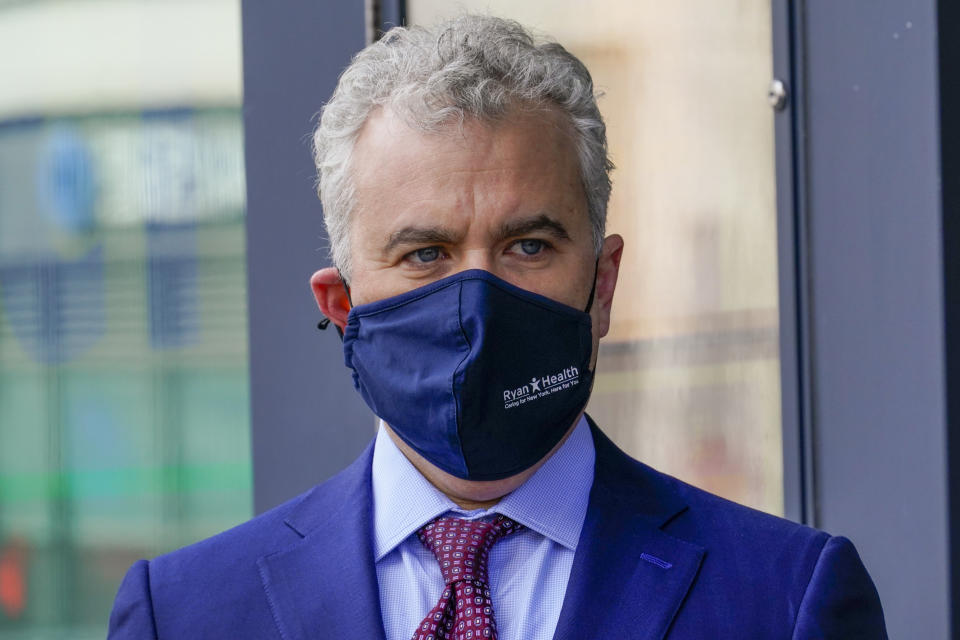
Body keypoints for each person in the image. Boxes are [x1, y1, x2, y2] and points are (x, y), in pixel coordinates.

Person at [108, 14, 887, 639]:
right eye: (425, 252)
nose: (478, 300)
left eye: (528, 245)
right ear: (341, 307)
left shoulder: (784, 601)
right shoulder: (183, 614)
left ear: (603, 284)